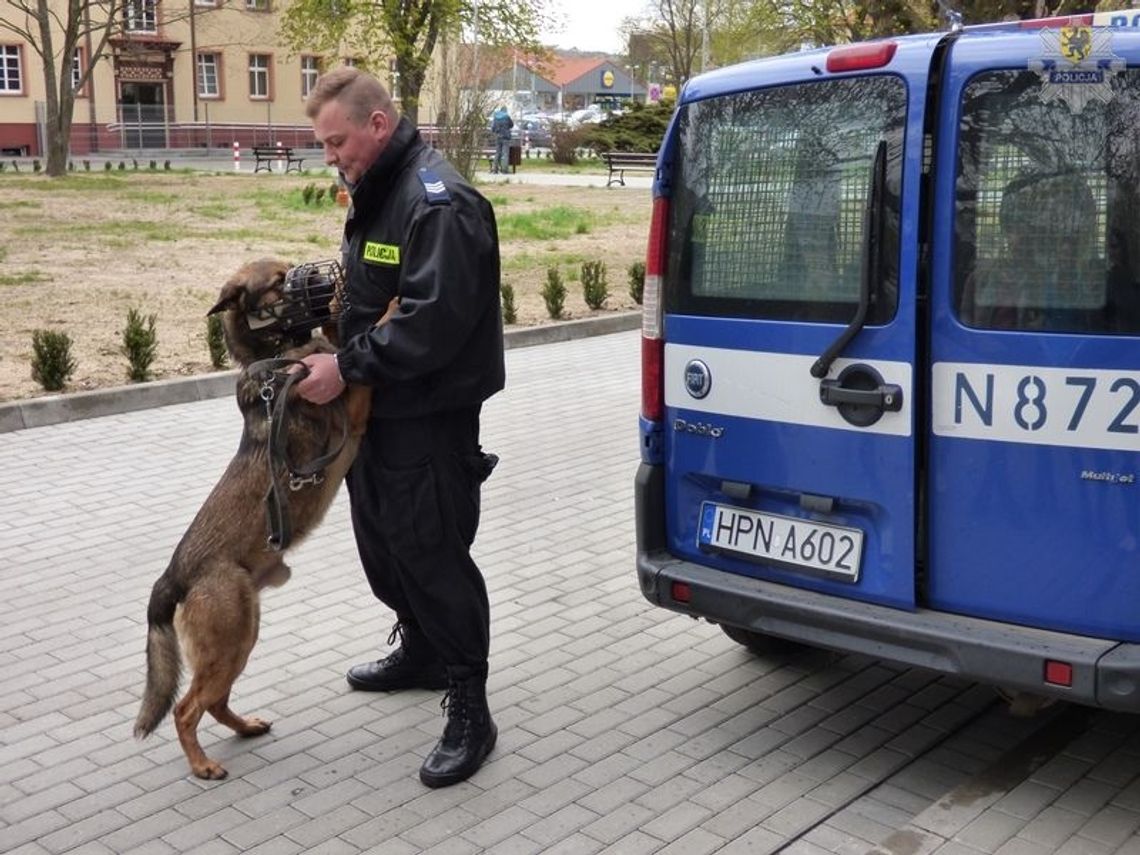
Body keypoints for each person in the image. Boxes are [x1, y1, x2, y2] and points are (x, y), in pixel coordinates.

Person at [296, 67, 505, 788]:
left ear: (378, 125)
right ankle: (418, 649)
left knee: (433, 555)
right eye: (323, 144)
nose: (330, 155)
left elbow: (431, 326)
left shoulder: (438, 202)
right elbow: (384, 288)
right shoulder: (381, 190)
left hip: (428, 415)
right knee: (384, 549)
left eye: (338, 141)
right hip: (378, 413)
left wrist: (346, 366)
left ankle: (470, 707)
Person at [490, 105, 513, 174]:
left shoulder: (495, 117)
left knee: (497, 153)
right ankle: (504, 170)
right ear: (505, 110)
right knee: (505, 154)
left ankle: (495, 169)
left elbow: (493, 128)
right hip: (506, 137)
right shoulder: (507, 116)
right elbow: (511, 125)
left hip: (498, 137)